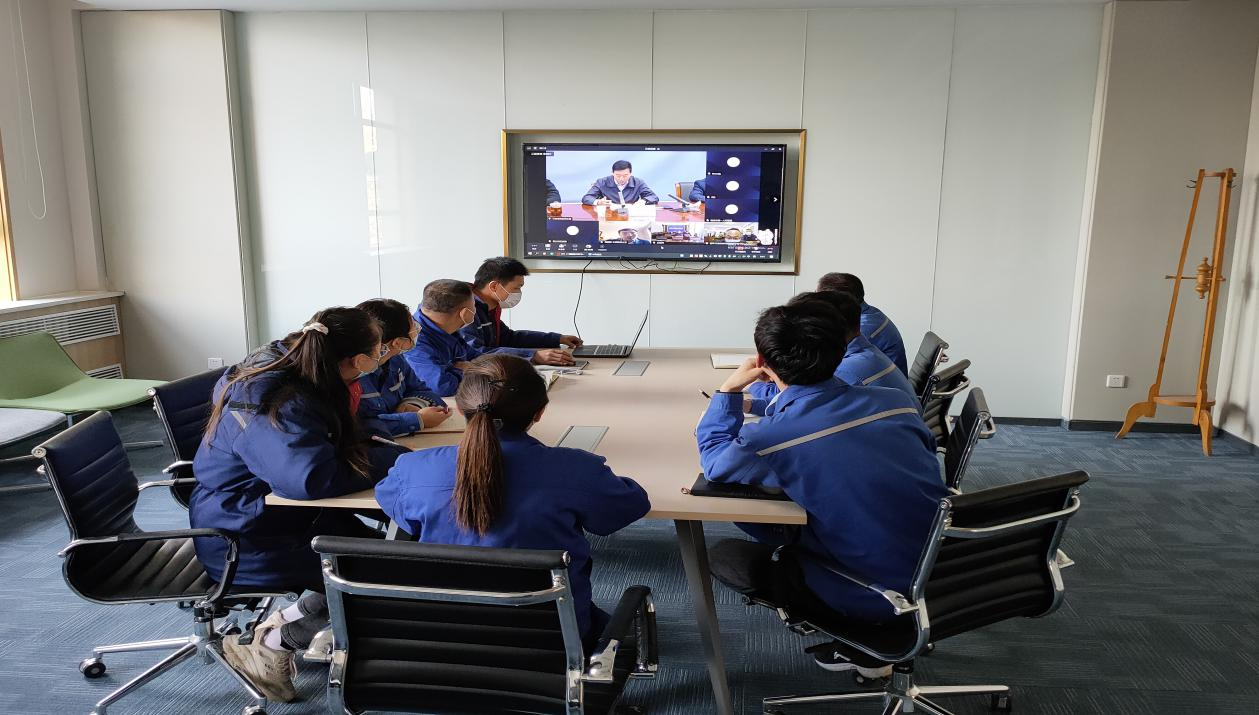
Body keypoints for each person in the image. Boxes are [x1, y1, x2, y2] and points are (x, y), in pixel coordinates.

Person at [696, 299, 944, 677]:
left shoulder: (772, 439)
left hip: (877, 595)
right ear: (842, 351)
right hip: (944, 567)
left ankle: (863, 636)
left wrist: (728, 389)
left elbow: (715, 463)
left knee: (725, 555)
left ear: (762, 361)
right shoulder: (896, 403)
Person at [190, 307, 410, 702]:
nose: (383, 359)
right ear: (359, 360)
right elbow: (308, 478)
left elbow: (343, 433)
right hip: (244, 534)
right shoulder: (276, 399)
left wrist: (386, 450)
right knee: (381, 571)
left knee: (398, 553)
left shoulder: (306, 370)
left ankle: (297, 622)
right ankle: (273, 641)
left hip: (280, 515)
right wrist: (393, 459)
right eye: (379, 352)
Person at [375, 354, 651, 646]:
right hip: (554, 637)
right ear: (539, 413)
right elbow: (629, 506)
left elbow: (395, 506)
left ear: (460, 407)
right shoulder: (576, 470)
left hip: (441, 634)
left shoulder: (413, 468)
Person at [746, 291, 918, 415]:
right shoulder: (865, 354)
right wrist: (749, 405)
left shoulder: (847, 370)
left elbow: (797, 407)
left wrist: (750, 384)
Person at [356, 298, 452, 436]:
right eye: (414, 328)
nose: (417, 331)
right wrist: (417, 420)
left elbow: (423, 390)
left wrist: (414, 404)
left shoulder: (396, 359)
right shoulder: (351, 373)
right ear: (398, 343)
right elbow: (355, 427)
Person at [461, 257, 583, 367]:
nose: (518, 293)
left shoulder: (489, 309)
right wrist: (533, 355)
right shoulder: (465, 310)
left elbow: (509, 338)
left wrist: (557, 338)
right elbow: (475, 353)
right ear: (494, 286)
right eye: (516, 288)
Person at [817, 272, 908, 375]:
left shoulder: (863, 327)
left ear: (839, 301)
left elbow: (829, 362)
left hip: (877, 382)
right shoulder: (869, 313)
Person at [404, 279, 482, 397]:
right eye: (474, 305)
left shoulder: (447, 330)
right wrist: (467, 370)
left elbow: (475, 357)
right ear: (465, 313)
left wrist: (458, 369)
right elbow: (442, 386)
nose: (475, 310)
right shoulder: (415, 340)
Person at [581, 160, 659, 205]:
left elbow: (653, 197)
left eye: (625, 175)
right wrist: (598, 202)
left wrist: (643, 201)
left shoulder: (638, 182)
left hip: (631, 215)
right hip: (609, 215)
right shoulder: (602, 182)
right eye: (618, 175)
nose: (621, 179)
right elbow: (586, 198)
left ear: (630, 173)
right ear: (612, 173)